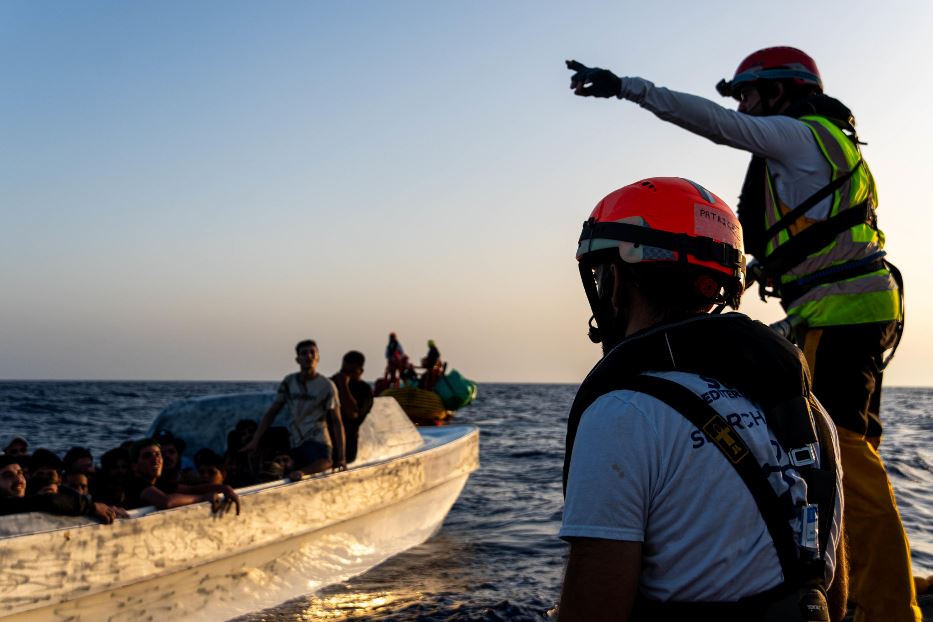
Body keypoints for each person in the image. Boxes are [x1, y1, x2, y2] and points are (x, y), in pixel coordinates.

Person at [566, 49, 915, 622]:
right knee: (846, 444)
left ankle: (890, 606)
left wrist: (627, 87)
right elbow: (818, 236)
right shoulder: (827, 149)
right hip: (851, 306)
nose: (743, 109)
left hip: (839, 310)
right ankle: (885, 575)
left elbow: (715, 123)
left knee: (848, 454)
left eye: (749, 96)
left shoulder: (801, 136)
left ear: (778, 92)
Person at [558, 178, 846, 621]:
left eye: (600, 275)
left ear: (614, 283)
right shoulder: (811, 414)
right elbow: (832, 596)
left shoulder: (624, 416)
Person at [242, 339, 346, 480]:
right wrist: (255, 440)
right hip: (295, 440)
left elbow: (336, 421)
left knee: (325, 462)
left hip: (317, 439)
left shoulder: (327, 386)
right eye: (304, 353)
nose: (308, 356)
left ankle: (302, 472)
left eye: (312, 352)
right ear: (298, 359)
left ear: (318, 357)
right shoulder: (289, 382)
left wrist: (341, 457)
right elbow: (272, 412)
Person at [123, 439, 239, 515]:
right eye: (147, 456)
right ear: (135, 466)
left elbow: (191, 489)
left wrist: (223, 488)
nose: (155, 459)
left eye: (158, 454)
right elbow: (166, 502)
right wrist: (202, 498)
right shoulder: (136, 484)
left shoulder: (158, 482)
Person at [0, 455, 125, 523]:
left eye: (20, 473)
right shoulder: (5, 505)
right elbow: (49, 501)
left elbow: (55, 492)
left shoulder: (29, 495)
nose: (19, 480)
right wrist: (92, 508)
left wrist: (105, 508)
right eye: (7, 475)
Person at [331, 350, 374, 464]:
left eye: (350, 372)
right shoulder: (331, 384)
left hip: (347, 449)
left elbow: (352, 415)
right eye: (343, 371)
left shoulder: (364, 390)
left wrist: (343, 385)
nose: (346, 375)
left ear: (361, 371)